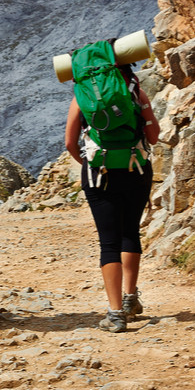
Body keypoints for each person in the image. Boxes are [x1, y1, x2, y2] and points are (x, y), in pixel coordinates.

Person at [64, 54, 160, 333]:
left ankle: (115, 313)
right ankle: (131, 299)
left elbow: (70, 142)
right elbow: (153, 137)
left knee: (109, 242)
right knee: (130, 231)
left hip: (99, 174)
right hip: (137, 169)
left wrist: (89, 164)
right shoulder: (135, 92)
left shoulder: (82, 97)